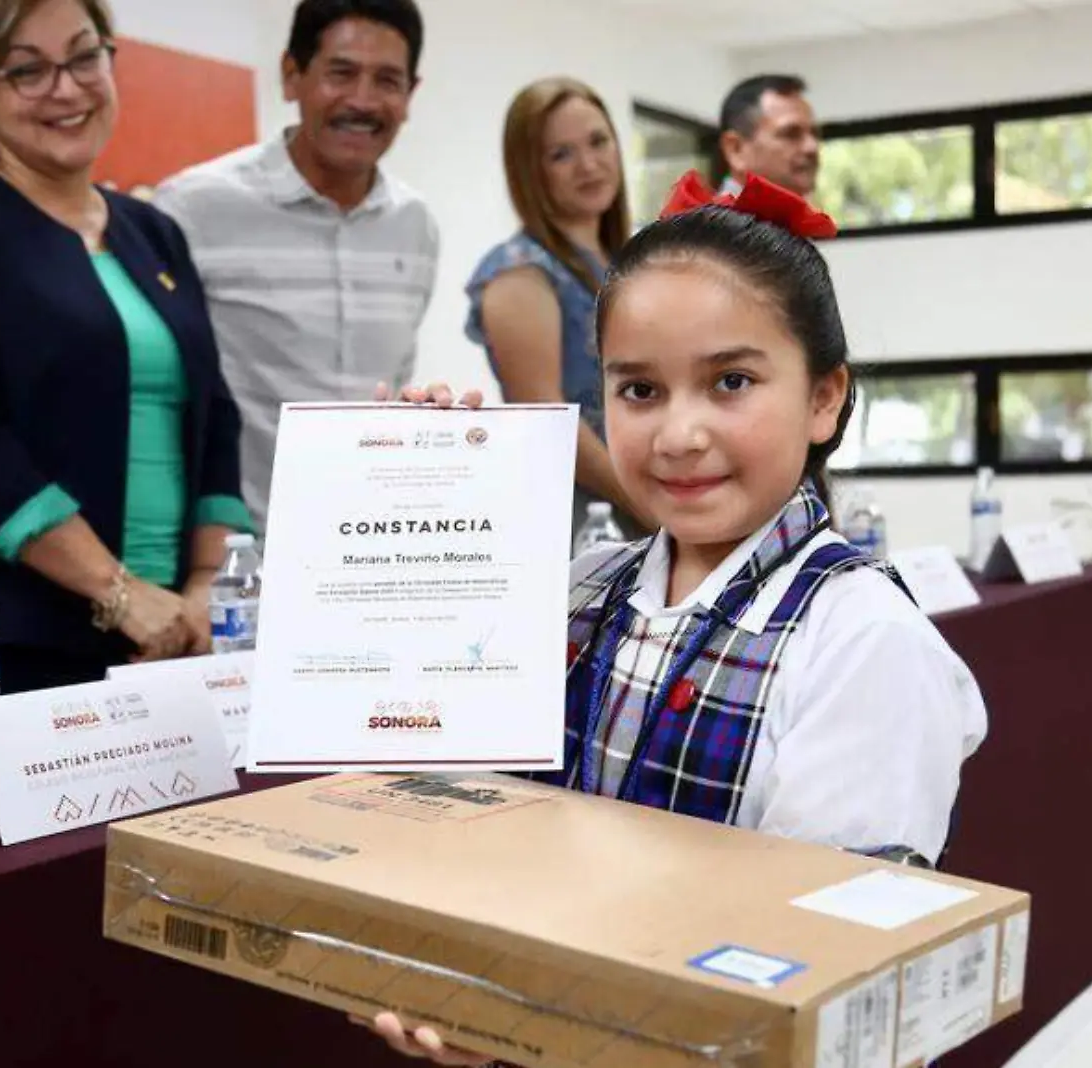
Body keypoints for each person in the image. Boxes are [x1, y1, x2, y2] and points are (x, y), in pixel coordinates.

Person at [362, 171, 988, 1063]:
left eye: (730, 382)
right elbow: (443, 803)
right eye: (639, 391)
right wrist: (412, 490)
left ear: (824, 397)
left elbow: (821, 974)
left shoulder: (861, 641)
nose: (677, 434)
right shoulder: (576, 591)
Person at [0, 0, 250, 750]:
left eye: (83, 57)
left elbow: (215, 417)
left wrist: (207, 586)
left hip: (170, 647)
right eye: (27, 70)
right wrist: (119, 593)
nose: (67, 89)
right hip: (4, 652)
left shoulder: (154, 233)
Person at [154, 0, 436, 536]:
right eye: (341, 72)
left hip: (367, 551)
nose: (362, 100)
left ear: (410, 95)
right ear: (292, 76)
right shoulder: (192, 208)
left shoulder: (416, 225)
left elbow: (394, 389)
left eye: (387, 80)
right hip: (234, 559)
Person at [465, 77, 647, 540]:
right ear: (530, 172)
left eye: (598, 142)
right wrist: (650, 505)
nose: (588, 165)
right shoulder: (519, 273)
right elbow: (550, 420)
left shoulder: (632, 260)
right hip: (584, 519)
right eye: (560, 154)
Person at [717, 74, 822, 196]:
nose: (812, 147)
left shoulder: (793, 214)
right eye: (791, 134)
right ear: (736, 149)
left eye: (814, 134)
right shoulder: (707, 215)